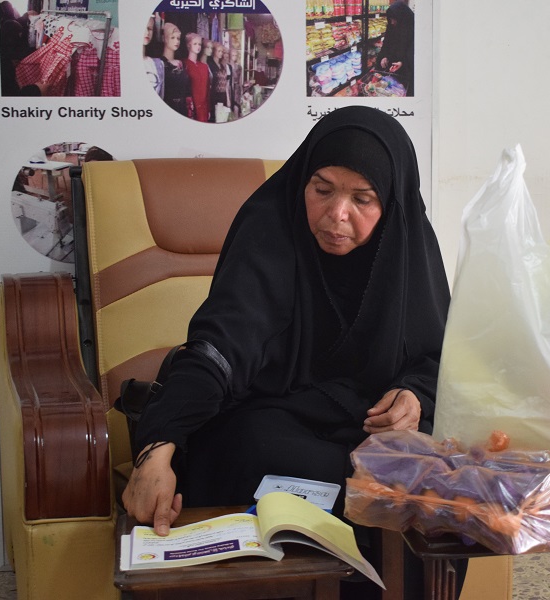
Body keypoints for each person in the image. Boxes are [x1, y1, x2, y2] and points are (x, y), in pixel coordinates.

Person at [122, 106, 454, 597]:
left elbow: (436, 356)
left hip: (368, 426)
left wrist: (414, 394)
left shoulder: (408, 248)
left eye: (362, 199)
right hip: (269, 415)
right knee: (270, 456)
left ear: (391, 203)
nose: (337, 214)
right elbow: (218, 350)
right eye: (322, 190)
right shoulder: (270, 229)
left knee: (414, 478)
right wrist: (157, 447)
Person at [378, 0, 415, 95]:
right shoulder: (391, 27)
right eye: (390, 19)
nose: (392, 22)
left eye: (394, 19)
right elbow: (386, 44)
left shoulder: (413, 28)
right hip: (391, 69)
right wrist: (384, 56)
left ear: (402, 18)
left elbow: (413, 52)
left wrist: (402, 63)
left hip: (406, 71)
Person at [160, 22, 192, 117]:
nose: (176, 41)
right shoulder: (160, 64)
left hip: (182, 109)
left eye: (178, 38)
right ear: (164, 38)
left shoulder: (182, 64)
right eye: (172, 38)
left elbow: (187, 90)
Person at [184, 33, 211, 122]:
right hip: (191, 109)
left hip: (203, 108)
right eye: (195, 44)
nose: (198, 46)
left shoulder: (204, 67)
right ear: (189, 45)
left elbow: (207, 89)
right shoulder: (184, 64)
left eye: (199, 44)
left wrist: (208, 109)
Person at [207, 41, 230, 121]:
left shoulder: (222, 65)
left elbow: (226, 84)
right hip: (215, 96)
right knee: (216, 118)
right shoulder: (210, 65)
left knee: (223, 118)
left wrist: (228, 98)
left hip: (223, 96)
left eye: (222, 51)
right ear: (214, 51)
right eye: (219, 51)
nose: (221, 53)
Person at [143, 15, 164, 98]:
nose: (147, 32)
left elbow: (161, 96)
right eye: (143, 28)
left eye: (149, 29)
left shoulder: (158, 64)